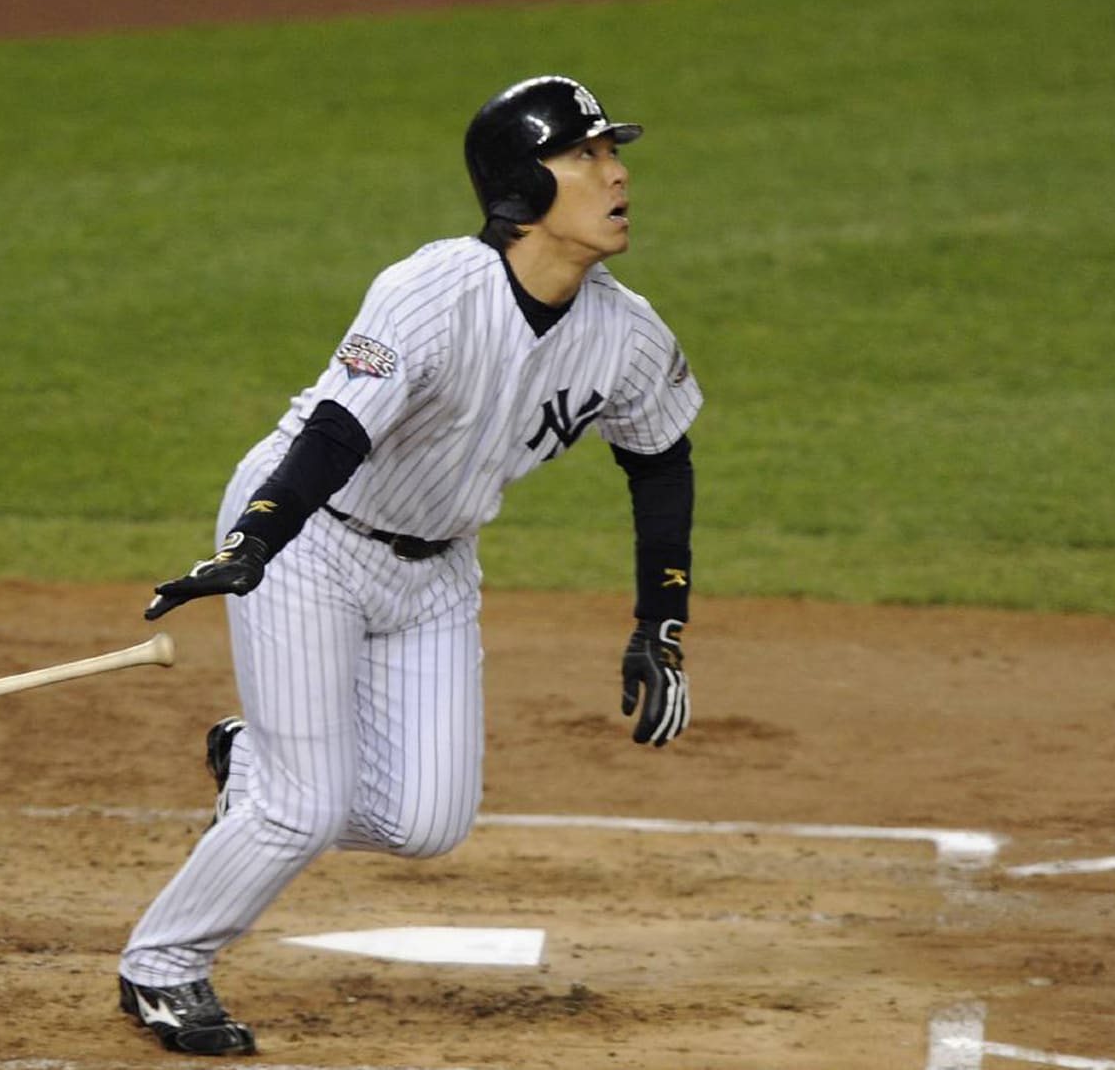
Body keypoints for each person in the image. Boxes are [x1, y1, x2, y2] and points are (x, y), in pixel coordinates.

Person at [118, 76, 702, 1055]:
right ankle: (162, 968)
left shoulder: (624, 333)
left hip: (435, 572)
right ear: (524, 188)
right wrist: (256, 539)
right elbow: (338, 430)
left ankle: (249, 760)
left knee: (427, 821)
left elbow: (663, 463)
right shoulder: (432, 290)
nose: (617, 172)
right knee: (303, 811)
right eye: (587, 156)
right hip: (313, 537)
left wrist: (661, 621)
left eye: (613, 152)